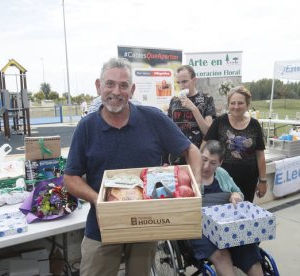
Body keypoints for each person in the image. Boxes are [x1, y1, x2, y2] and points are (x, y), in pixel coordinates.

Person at [63, 57, 202, 276]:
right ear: (99, 86)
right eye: (109, 84)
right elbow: (71, 178)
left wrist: (196, 188)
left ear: (132, 89)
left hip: (146, 224)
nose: (116, 91)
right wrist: (99, 201)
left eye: (123, 85)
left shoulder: (153, 119)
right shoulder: (87, 127)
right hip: (102, 226)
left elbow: (191, 151)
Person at [190, 140, 263, 276]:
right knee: (221, 255)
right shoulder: (189, 174)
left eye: (212, 163)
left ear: (220, 162)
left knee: (249, 249)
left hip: (225, 228)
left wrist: (236, 195)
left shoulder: (222, 174)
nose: (206, 167)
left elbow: (238, 192)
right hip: (199, 229)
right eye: (204, 159)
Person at [203, 86, 267, 202]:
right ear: (228, 105)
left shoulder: (254, 125)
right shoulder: (220, 121)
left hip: (248, 180)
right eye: (233, 103)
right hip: (223, 181)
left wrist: (263, 181)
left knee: (244, 213)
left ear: (247, 105)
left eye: (240, 103)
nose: (236, 107)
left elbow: (260, 155)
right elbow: (205, 145)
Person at [165, 65, 216, 165]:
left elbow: (207, 132)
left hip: (198, 155)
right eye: (178, 82)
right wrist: (165, 159)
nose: (181, 86)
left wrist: (193, 108)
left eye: (184, 81)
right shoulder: (174, 101)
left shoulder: (207, 99)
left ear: (194, 80)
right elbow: (167, 131)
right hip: (176, 155)